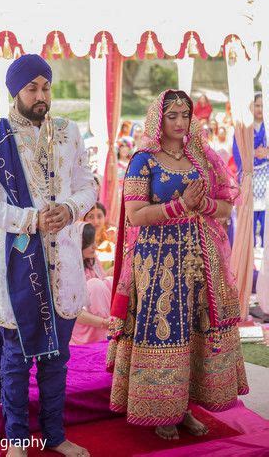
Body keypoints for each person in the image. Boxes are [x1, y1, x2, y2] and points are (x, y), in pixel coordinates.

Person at [0, 53, 97, 457]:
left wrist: (71, 209)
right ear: (15, 92)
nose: (41, 97)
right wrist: (29, 219)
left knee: (58, 359)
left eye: (46, 88)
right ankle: (18, 440)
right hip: (17, 267)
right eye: (32, 89)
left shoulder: (69, 131)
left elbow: (87, 184)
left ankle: (55, 436)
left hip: (64, 266)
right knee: (17, 360)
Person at [108, 89, 248, 441]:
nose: (180, 122)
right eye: (173, 115)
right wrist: (180, 206)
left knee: (192, 333)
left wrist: (202, 208)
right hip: (158, 263)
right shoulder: (144, 160)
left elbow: (226, 207)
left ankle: (184, 407)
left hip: (199, 259)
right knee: (163, 329)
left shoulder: (200, 156)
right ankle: (161, 411)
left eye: (185, 115)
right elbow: (136, 215)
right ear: (159, 118)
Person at [233, 93, 269, 249]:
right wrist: (253, 153)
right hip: (250, 177)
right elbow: (237, 150)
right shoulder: (244, 127)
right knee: (251, 216)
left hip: (266, 175)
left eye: (262, 105)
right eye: (257, 105)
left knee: (266, 215)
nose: (260, 109)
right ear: (251, 107)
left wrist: (267, 153)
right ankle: (250, 253)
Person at [71, 223, 112, 345]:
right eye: (89, 243)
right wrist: (104, 322)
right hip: (84, 326)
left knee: (109, 281)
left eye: (94, 241)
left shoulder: (92, 261)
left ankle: (109, 328)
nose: (95, 246)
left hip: (104, 322)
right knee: (95, 285)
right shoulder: (69, 270)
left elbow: (106, 288)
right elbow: (75, 313)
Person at [84, 202, 115, 270]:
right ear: (84, 219)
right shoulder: (81, 246)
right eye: (91, 217)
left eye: (99, 216)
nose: (96, 221)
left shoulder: (110, 246)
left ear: (104, 218)